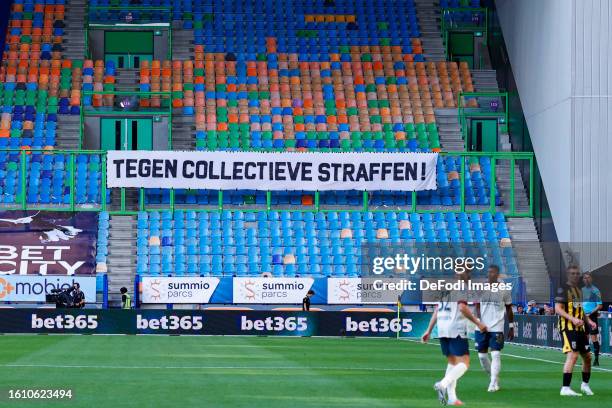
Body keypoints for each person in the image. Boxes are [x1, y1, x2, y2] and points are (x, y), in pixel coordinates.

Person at [422, 269, 487, 406]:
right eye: (468, 274)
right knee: (464, 363)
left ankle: (452, 397)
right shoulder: (462, 289)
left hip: (442, 329)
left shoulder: (447, 290)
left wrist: (428, 330)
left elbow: (436, 311)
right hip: (455, 329)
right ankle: (442, 384)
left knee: (453, 363)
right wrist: (478, 323)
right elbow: (463, 308)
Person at [555, 265, 596, 396]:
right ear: (568, 274)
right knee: (573, 355)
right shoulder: (563, 289)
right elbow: (558, 309)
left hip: (581, 327)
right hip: (568, 327)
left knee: (588, 357)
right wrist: (572, 319)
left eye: (577, 273)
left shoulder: (578, 290)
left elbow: (580, 309)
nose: (575, 275)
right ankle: (565, 388)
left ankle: (585, 385)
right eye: (572, 273)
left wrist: (588, 320)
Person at [475, 265, 515, 392]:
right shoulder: (481, 287)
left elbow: (509, 308)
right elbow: (477, 306)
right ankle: (493, 378)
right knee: (482, 357)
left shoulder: (504, 289)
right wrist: (478, 321)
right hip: (481, 327)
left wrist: (511, 326)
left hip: (497, 326)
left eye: (492, 272)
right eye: (488, 272)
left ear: (497, 274)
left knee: (496, 354)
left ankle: (492, 383)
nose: (489, 274)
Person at [582, 272, 602, 366]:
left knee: (594, 338)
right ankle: (587, 358)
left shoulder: (596, 291)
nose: (586, 279)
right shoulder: (581, 290)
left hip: (592, 316)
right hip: (583, 317)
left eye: (588, 277)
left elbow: (599, 305)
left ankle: (596, 359)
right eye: (584, 278)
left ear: (591, 279)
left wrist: (591, 312)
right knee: (585, 338)